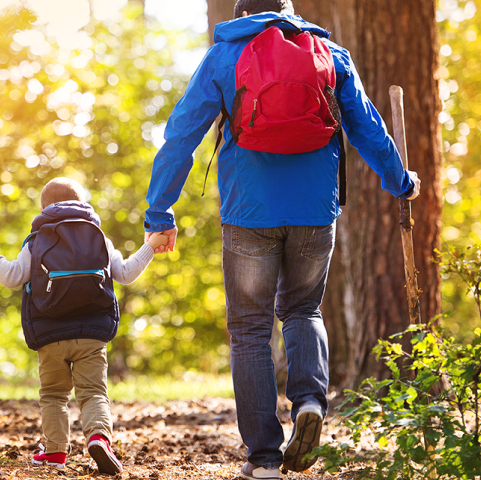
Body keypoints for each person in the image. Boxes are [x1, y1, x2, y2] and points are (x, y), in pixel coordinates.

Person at [143, 0, 421, 479]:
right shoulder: (331, 55)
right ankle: (310, 402)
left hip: (248, 214)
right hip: (314, 212)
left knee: (250, 330)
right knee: (303, 310)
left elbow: (181, 136)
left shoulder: (223, 58)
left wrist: (159, 211)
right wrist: (401, 181)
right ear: (288, 11)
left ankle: (264, 459)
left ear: (241, 12)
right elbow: (369, 129)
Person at [0, 177, 167, 473]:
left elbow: (12, 277)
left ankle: (54, 452)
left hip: (49, 332)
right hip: (92, 333)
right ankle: (99, 438)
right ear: (83, 204)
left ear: (44, 208)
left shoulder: (37, 240)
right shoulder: (99, 237)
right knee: (93, 393)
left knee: (53, 395)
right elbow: (126, 273)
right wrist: (150, 247)